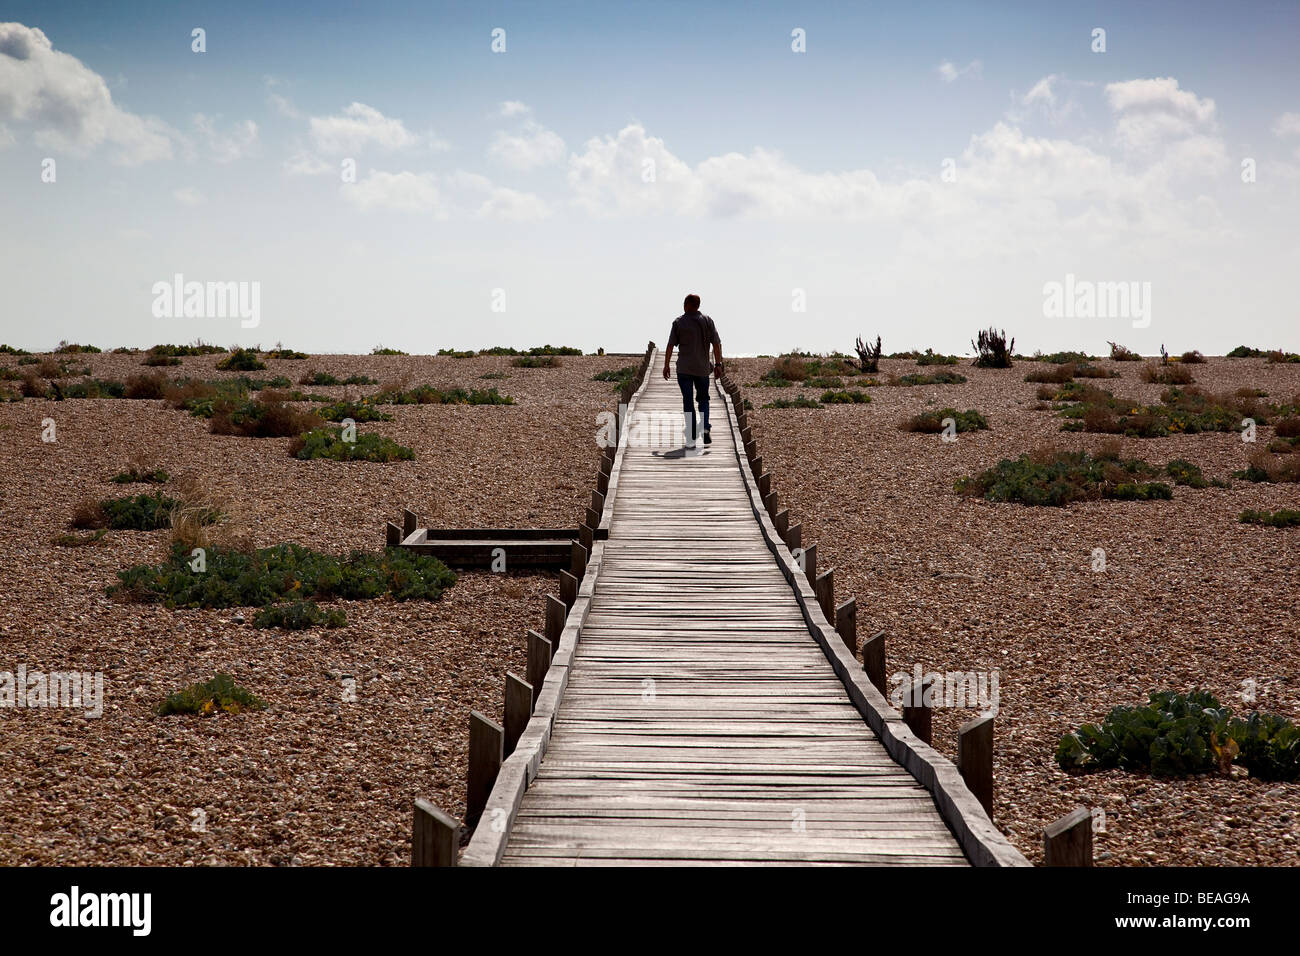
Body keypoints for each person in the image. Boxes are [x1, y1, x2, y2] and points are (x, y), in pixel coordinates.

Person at [663, 293, 723, 446]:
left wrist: (666, 365)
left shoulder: (678, 322)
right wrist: (718, 364)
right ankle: (705, 427)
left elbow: (670, 345)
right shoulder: (707, 321)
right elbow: (716, 343)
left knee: (688, 401)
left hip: (684, 369)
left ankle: (691, 432)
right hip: (702, 368)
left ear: (687, 304)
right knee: (704, 399)